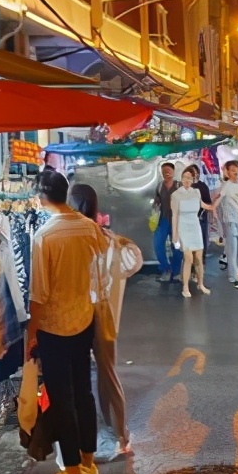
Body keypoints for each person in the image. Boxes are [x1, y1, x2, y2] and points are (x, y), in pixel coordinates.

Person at [28, 169, 107, 474]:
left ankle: (72, 472)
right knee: (83, 394)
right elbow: (100, 276)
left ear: (43, 197)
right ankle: (89, 467)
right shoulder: (90, 227)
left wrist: (31, 336)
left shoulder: (44, 236)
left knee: (61, 400)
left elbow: (38, 294)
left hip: (55, 326)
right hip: (84, 318)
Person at [67, 183, 141, 456]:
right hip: (101, 309)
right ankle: (121, 436)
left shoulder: (71, 235)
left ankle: (97, 436)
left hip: (78, 309)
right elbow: (134, 262)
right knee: (107, 374)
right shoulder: (105, 236)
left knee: (82, 375)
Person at [172, 165, 210, 299]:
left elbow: (203, 205)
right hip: (183, 226)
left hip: (195, 226)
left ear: (193, 179)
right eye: (184, 177)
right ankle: (185, 287)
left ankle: (201, 284)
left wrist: (215, 205)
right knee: (188, 257)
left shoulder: (196, 192)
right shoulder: (176, 195)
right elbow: (174, 215)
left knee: (199, 257)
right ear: (181, 179)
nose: (187, 180)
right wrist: (175, 235)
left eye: (189, 178)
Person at [215, 159, 238, 288]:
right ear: (227, 172)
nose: (235, 173)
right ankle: (234, 276)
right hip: (230, 222)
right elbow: (217, 202)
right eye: (233, 171)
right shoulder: (226, 186)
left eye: (237, 170)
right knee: (233, 249)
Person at [152, 161, 182, 283]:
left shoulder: (179, 186)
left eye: (169, 171)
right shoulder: (159, 186)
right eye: (164, 172)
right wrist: (154, 206)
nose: (167, 173)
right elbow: (157, 202)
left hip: (177, 221)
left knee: (177, 247)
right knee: (157, 244)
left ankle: (176, 272)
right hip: (163, 219)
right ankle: (165, 269)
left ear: (174, 172)